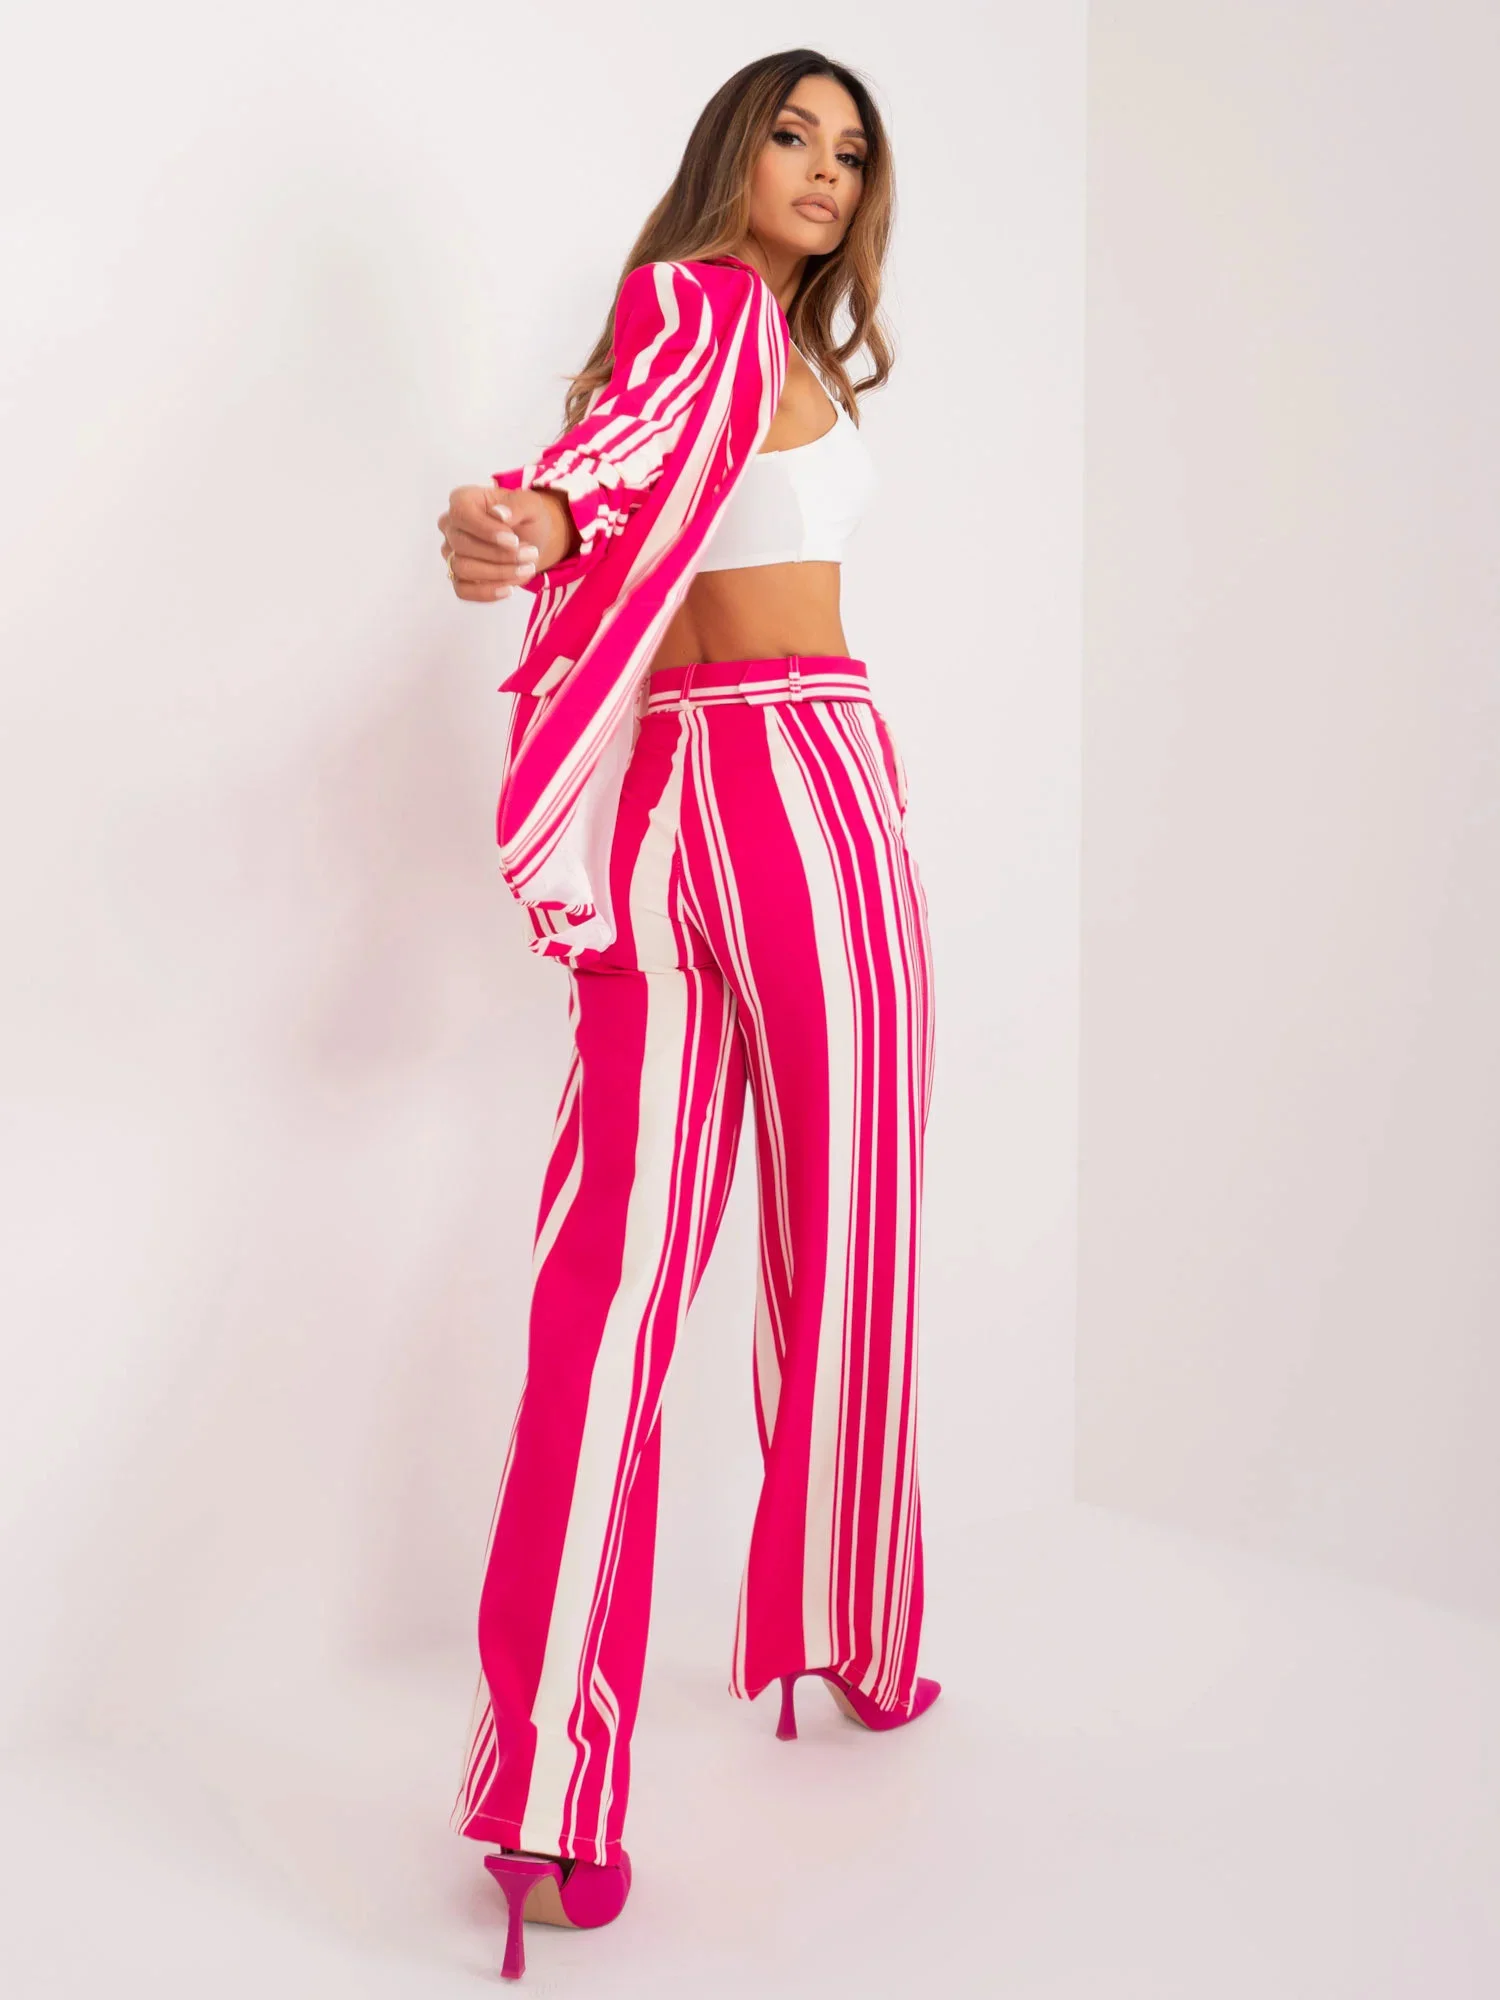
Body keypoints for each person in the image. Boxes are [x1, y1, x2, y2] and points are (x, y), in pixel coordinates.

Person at [436, 47, 939, 1983]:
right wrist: (528, 524)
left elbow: (630, 459)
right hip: (790, 786)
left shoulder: (774, 344)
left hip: (682, 809)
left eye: (851, 151)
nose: (822, 169)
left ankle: (553, 1791)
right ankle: (840, 1633)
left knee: (628, 1281)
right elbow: (607, 469)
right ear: (731, 151)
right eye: (792, 134)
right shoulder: (700, 307)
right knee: (825, 1241)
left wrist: (556, 511)